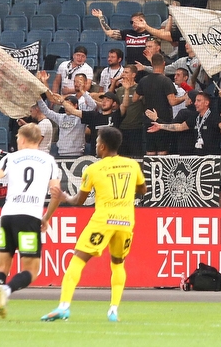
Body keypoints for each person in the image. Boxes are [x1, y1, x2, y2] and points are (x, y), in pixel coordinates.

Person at [42, 127, 147, 323]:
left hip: (103, 220)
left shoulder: (93, 169)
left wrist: (65, 197)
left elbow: (79, 201)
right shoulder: (132, 165)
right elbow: (143, 189)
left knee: (78, 260)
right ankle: (113, 310)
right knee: (117, 264)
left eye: (97, 142)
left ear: (103, 147)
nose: (96, 145)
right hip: (125, 221)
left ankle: (64, 306)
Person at [0, 123, 62, 320]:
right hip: (29, 218)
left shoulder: (11, 158)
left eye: (17, 138)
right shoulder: (49, 161)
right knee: (32, 270)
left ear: (23, 139)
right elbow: (56, 193)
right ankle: (6, 291)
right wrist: (47, 217)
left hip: (7, 216)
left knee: (2, 267)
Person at [148, 91, 221, 156]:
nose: (195, 103)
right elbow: (180, 127)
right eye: (195, 101)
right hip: (197, 156)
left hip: (212, 157)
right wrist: (160, 126)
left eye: (198, 101)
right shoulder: (195, 117)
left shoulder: (213, 115)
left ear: (206, 103)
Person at [138, 53, 188, 155]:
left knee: (150, 150)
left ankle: (150, 170)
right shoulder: (166, 81)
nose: (175, 76)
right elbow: (172, 101)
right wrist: (184, 97)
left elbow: (135, 98)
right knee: (162, 151)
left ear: (151, 64)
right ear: (164, 64)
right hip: (163, 121)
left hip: (148, 119)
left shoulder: (143, 80)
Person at [36, 83, 90, 158]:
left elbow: (92, 106)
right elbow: (46, 111)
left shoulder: (81, 118)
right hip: (61, 153)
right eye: (65, 105)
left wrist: (83, 92)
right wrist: (38, 98)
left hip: (77, 155)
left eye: (68, 105)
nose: (66, 108)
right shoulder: (60, 117)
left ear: (75, 106)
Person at [113, 65, 146, 158]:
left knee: (136, 157)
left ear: (133, 75)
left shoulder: (139, 89)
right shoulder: (119, 90)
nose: (123, 74)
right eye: (123, 72)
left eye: (126, 72)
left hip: (135, 129)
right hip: (121, 129)